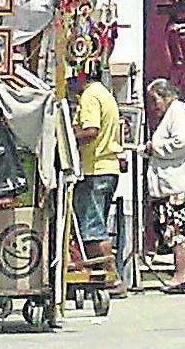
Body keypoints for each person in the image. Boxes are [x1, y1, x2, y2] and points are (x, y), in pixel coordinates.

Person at [141, 79, 185, 294]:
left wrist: (156, 148)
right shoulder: (170, 115)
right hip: (175, 186)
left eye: (155, 101)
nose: (154, 107)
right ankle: (184, 274)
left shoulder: (178, 111)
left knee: (178, 232)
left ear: (167, 96)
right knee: (175, 232)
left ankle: (180, 276)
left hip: (181, 187)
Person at [70, 69, 124, 292]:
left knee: (92, 227)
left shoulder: (91, 96)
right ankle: (107, 276)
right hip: (106, 168)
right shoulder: (104, 93)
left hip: (95, 169)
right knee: (95, 224)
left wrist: (65, 136)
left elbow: (91, 130)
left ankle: (111, 278)